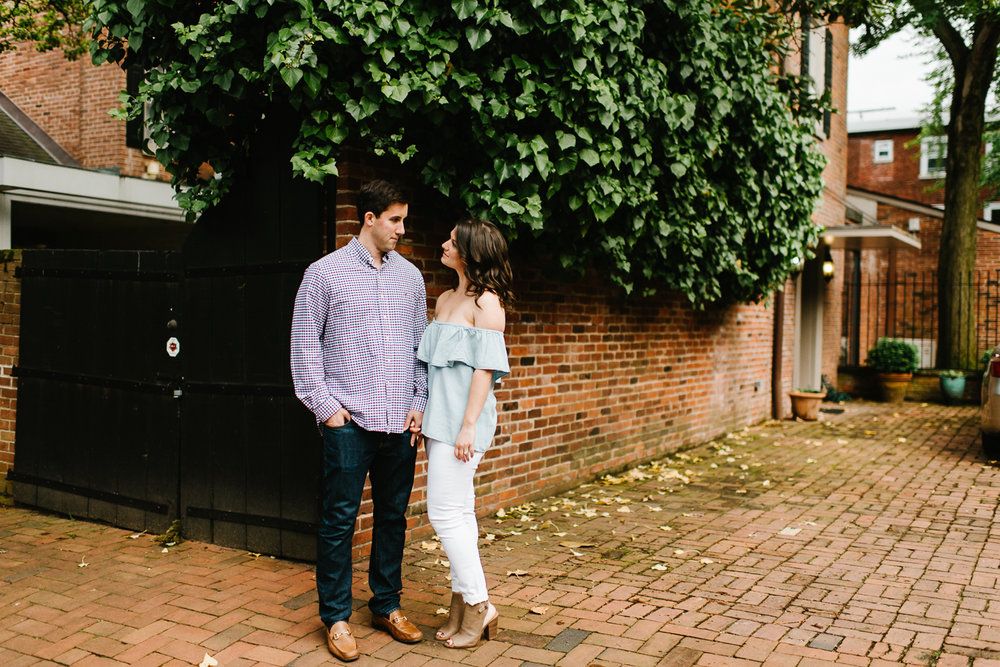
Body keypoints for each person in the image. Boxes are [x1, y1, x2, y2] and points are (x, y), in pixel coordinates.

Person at [290, 179, 428, 662]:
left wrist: (420, 400)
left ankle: (386, 605)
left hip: (400, 424)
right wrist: (328, 412)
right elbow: (305, 348)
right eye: (395, 220)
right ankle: (336, 618)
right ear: (368, 219)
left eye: (403, 220)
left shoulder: (411, 279)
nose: (401, 229)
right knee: (338, 521)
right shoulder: (323, 274)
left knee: (393, 518)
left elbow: (420, 350)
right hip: (348, 421)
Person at [417, 218, 514, 649]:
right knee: (460, 513)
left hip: (465, 425)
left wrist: (468, 427)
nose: (444, 244)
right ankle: (461, 601)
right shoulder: (444, 300)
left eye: (452, 242)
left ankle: (478, 603)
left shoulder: (487, 304)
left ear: (471, 252)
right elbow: (431, 370)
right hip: (440, 421)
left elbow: (485, 370)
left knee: (441, 512)